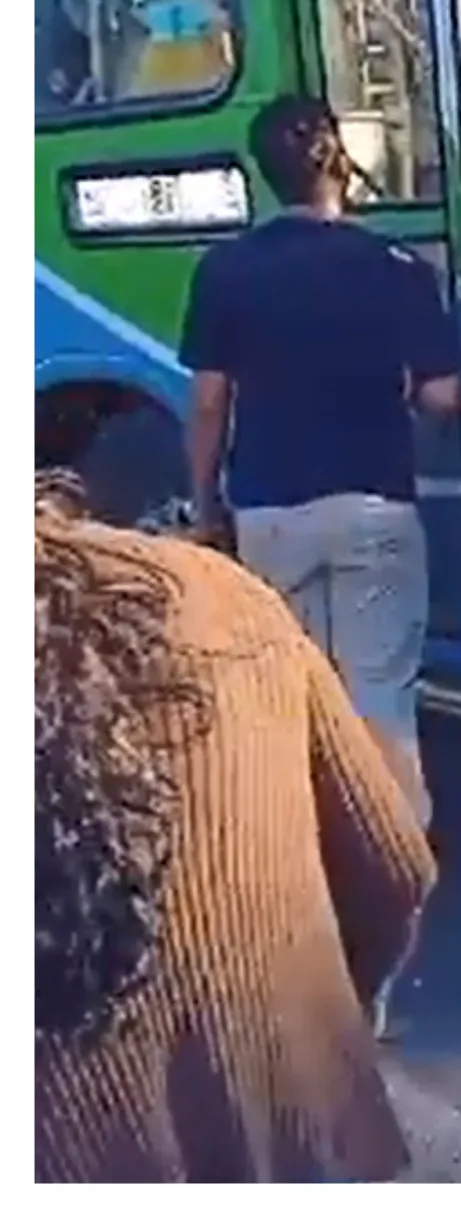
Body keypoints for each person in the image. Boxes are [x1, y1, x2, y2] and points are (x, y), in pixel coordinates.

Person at [36, 478, 438, 1181]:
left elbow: (210, 411)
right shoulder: (218, 596)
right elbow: (395, 869)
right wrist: (305, 1027)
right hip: (314, 1146)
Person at [180, 94, 461, 826]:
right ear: (339, 163)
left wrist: (207, 506)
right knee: (380, 698)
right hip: (374, 503)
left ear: (263, 174)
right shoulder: (394, 266)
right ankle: (398, 851)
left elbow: (210, 403)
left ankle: (309, 853)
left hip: (270, 510)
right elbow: (443, 397)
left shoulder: (225, 270)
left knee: (293, 691)